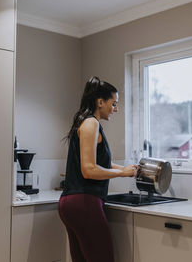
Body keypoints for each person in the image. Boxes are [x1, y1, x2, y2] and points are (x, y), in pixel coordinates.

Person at [58, 76, 138, 262]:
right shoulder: (91, 123)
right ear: (100, 102)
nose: (116, 109)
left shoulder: (84, 122)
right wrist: (121, 173)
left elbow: (98, 162)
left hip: (70, 204)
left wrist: (126, 169)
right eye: (114, 103)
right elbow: (89, 170)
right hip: (84, 203)